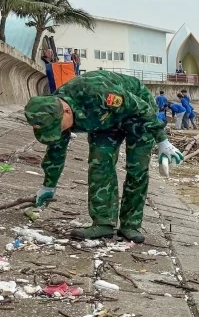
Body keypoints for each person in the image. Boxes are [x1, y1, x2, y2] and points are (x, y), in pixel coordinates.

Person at [23, 70, 184, 243]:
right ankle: (103, 223)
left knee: (137, 169)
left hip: (138, 114)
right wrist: (48, 186)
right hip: (105, 122)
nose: (60, 132)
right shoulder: (53, 111)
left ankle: (130, 225)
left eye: (59, 128)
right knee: (99, 164)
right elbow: (56, 152)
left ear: (67, 111)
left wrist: (162, 141)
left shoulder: (97, 91)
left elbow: (142, 108)